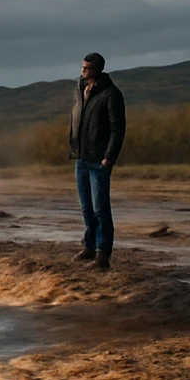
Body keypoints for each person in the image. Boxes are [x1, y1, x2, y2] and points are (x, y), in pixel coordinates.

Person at [69, 52, 125, 269]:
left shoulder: (111, 94)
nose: (83, 71)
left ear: (98, 70)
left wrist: (109, 158)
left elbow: (117, 129)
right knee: (86, 207)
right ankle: (89, 246)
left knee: (100, 208)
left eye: (87, 68)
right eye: (82, 67)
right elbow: (77, 119)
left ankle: (103, 254)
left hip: (99, 160)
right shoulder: (79, 89)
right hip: (81, 158)